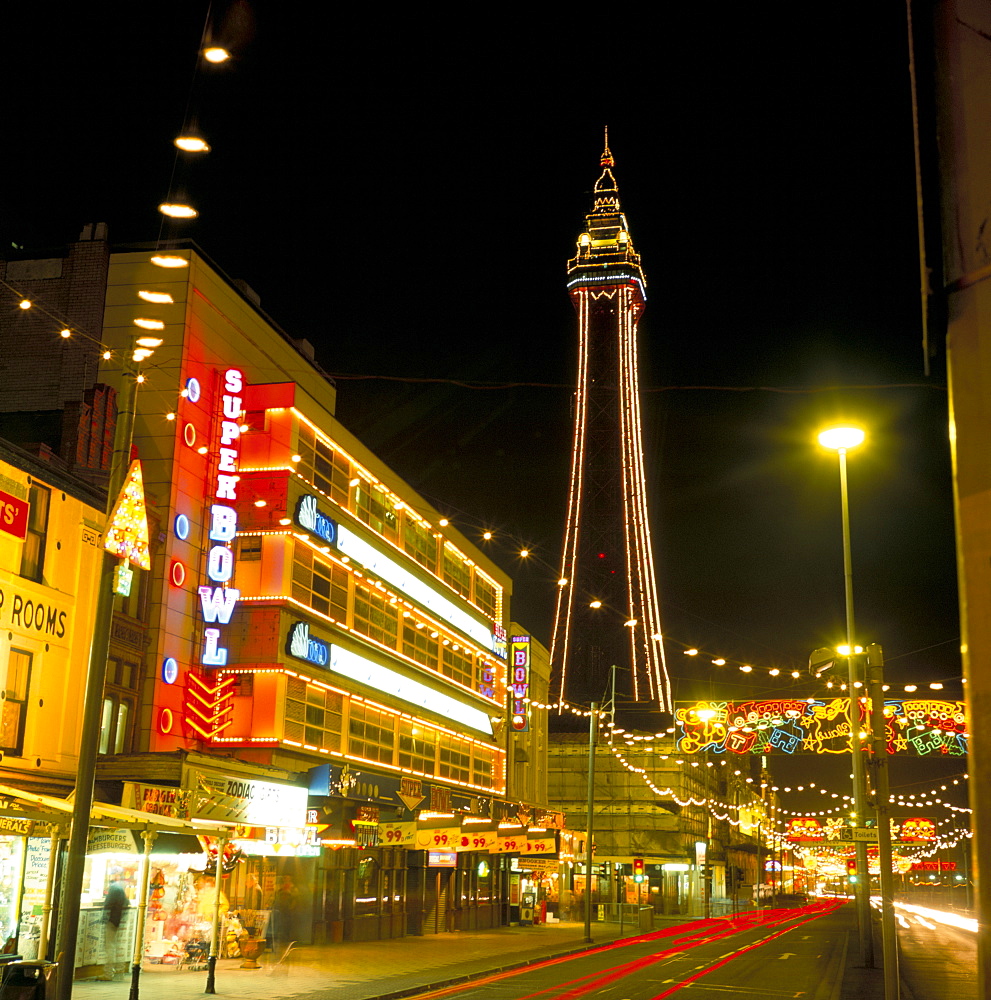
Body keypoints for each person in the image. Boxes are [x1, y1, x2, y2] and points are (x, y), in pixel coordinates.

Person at [101, 878, 129, 981]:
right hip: (118, 921)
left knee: (110, 947)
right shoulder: (120, 889)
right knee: (117, 946)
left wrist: (104, 919)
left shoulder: (114, 889)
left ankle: (108, 974)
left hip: (112, 921)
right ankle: (119, 972)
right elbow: (127, 903)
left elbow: (108, 905)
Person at [268, 875, 297, 954]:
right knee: (279, 924)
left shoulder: (293, 888)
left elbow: (294, 900)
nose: (285, 879)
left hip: (287, 910)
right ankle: (281, 939)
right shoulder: (280, 889)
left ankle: (287, 939)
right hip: (279, 910)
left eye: (287, 878)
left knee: (287, 924)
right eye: (285, 878)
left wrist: (291, 908)